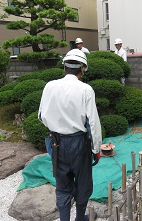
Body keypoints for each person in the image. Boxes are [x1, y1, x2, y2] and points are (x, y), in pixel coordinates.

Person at [38, 49, 102, 221]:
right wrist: (96, 149)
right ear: (82, 69)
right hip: (79, 143)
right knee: (83, 183)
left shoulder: (49, 86)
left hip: (56, 142)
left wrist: (57, 125)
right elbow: (93, 124)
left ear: (64, 67)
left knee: (63, 185)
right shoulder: (86, 89)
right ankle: (80, 218)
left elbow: (41, 116)